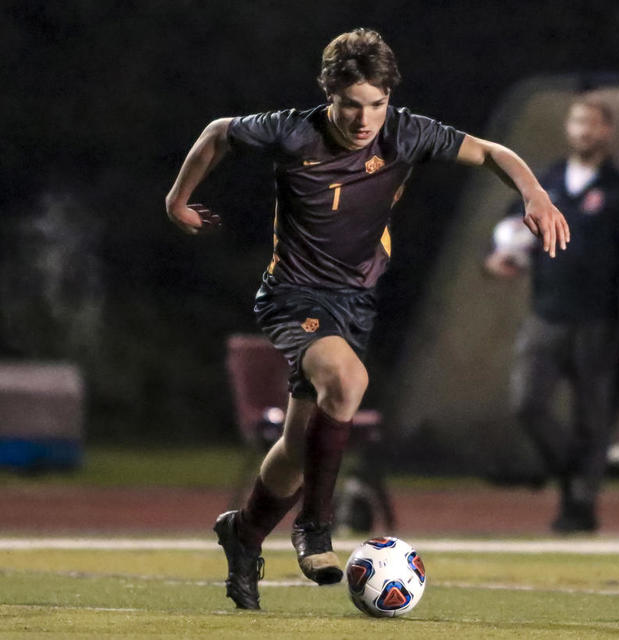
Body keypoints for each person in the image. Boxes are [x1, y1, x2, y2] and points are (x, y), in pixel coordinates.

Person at [165, 28, 569, 610]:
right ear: (329, 95)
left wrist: (535, 193)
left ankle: (245, 533)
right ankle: (315, 528)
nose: (363, 120)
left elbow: (493, 153)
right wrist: (178, 200)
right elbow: (217, 134)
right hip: (293, 295)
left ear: (388, 99)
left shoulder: (406, 132)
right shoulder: (292, 129)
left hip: (354, 304)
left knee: (298, 445)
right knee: (350, 382)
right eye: (351, 105)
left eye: (375, 105)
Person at [485, 98, 619, 533]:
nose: (584, 130)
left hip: (599, 321)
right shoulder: (546, 181)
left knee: (592, 418)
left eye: (593, 124)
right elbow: (508, 232)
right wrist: (497, 258)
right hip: (546, 316)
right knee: (527, 403)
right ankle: (572, 472)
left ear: (607, 131)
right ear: (568, 127)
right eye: (578, 121)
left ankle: (579, 506)